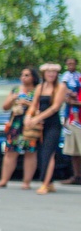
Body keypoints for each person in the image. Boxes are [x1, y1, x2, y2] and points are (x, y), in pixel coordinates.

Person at [0, 67, 39, 189]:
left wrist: (27, 103)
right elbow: (5, 106)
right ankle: (4, 180)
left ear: (33, 78)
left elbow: (40, 107)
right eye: (22, 75)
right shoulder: (15, 90)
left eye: (27, 75)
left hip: (30, 123)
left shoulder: (37, 91)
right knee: (10, 151)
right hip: (16, 123)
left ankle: (26, 182)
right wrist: (13, 99)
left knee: (30, 152)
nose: (23, 78)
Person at [27, 63, 67, 195]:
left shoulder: (60, 87)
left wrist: (38, 118)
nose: (51, 74)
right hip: (40, 125)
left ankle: (45, 183)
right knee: (40, 152)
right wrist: (29, 116)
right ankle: (50, 182)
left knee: (48, 153)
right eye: (48, 72)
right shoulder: (40, 87)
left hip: (53, 124)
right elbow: (34, 104)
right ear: (44, 74)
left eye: (53, 72)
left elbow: (55, 107)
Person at [59, 57, 81, 185]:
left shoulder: (78, 78)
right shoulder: (65, 78)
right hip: (71, 119)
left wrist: (76, 102)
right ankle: (76, 176)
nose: (70, 65)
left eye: (73, 63)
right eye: (68, 63)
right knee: (74, 150)